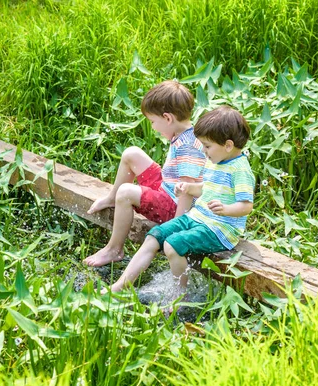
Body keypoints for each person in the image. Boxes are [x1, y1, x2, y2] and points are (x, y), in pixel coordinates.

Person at [105, 105, 255, 294]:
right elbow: (207, 188)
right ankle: (120, 286)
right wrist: (190, 188)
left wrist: (226, 209)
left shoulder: (240, 170)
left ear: (228, 145)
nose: (204, 151)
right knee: (155, 236)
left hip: (220, 228)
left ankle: (180, 294)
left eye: (207, 146)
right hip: (198, 217)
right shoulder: (216, 161)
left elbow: (246, 206)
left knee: (172, 245)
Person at [83, 80, 207, 267]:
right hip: (168, 188)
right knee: (131, 154)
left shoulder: (188, 147)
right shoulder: (183, 133)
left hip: (175, 208)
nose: (153, 127)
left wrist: (175, 227)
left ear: (167, 118)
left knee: (126, 192)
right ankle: (111, 198)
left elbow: (187, 191)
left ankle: (114, 249)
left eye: (153, 121)